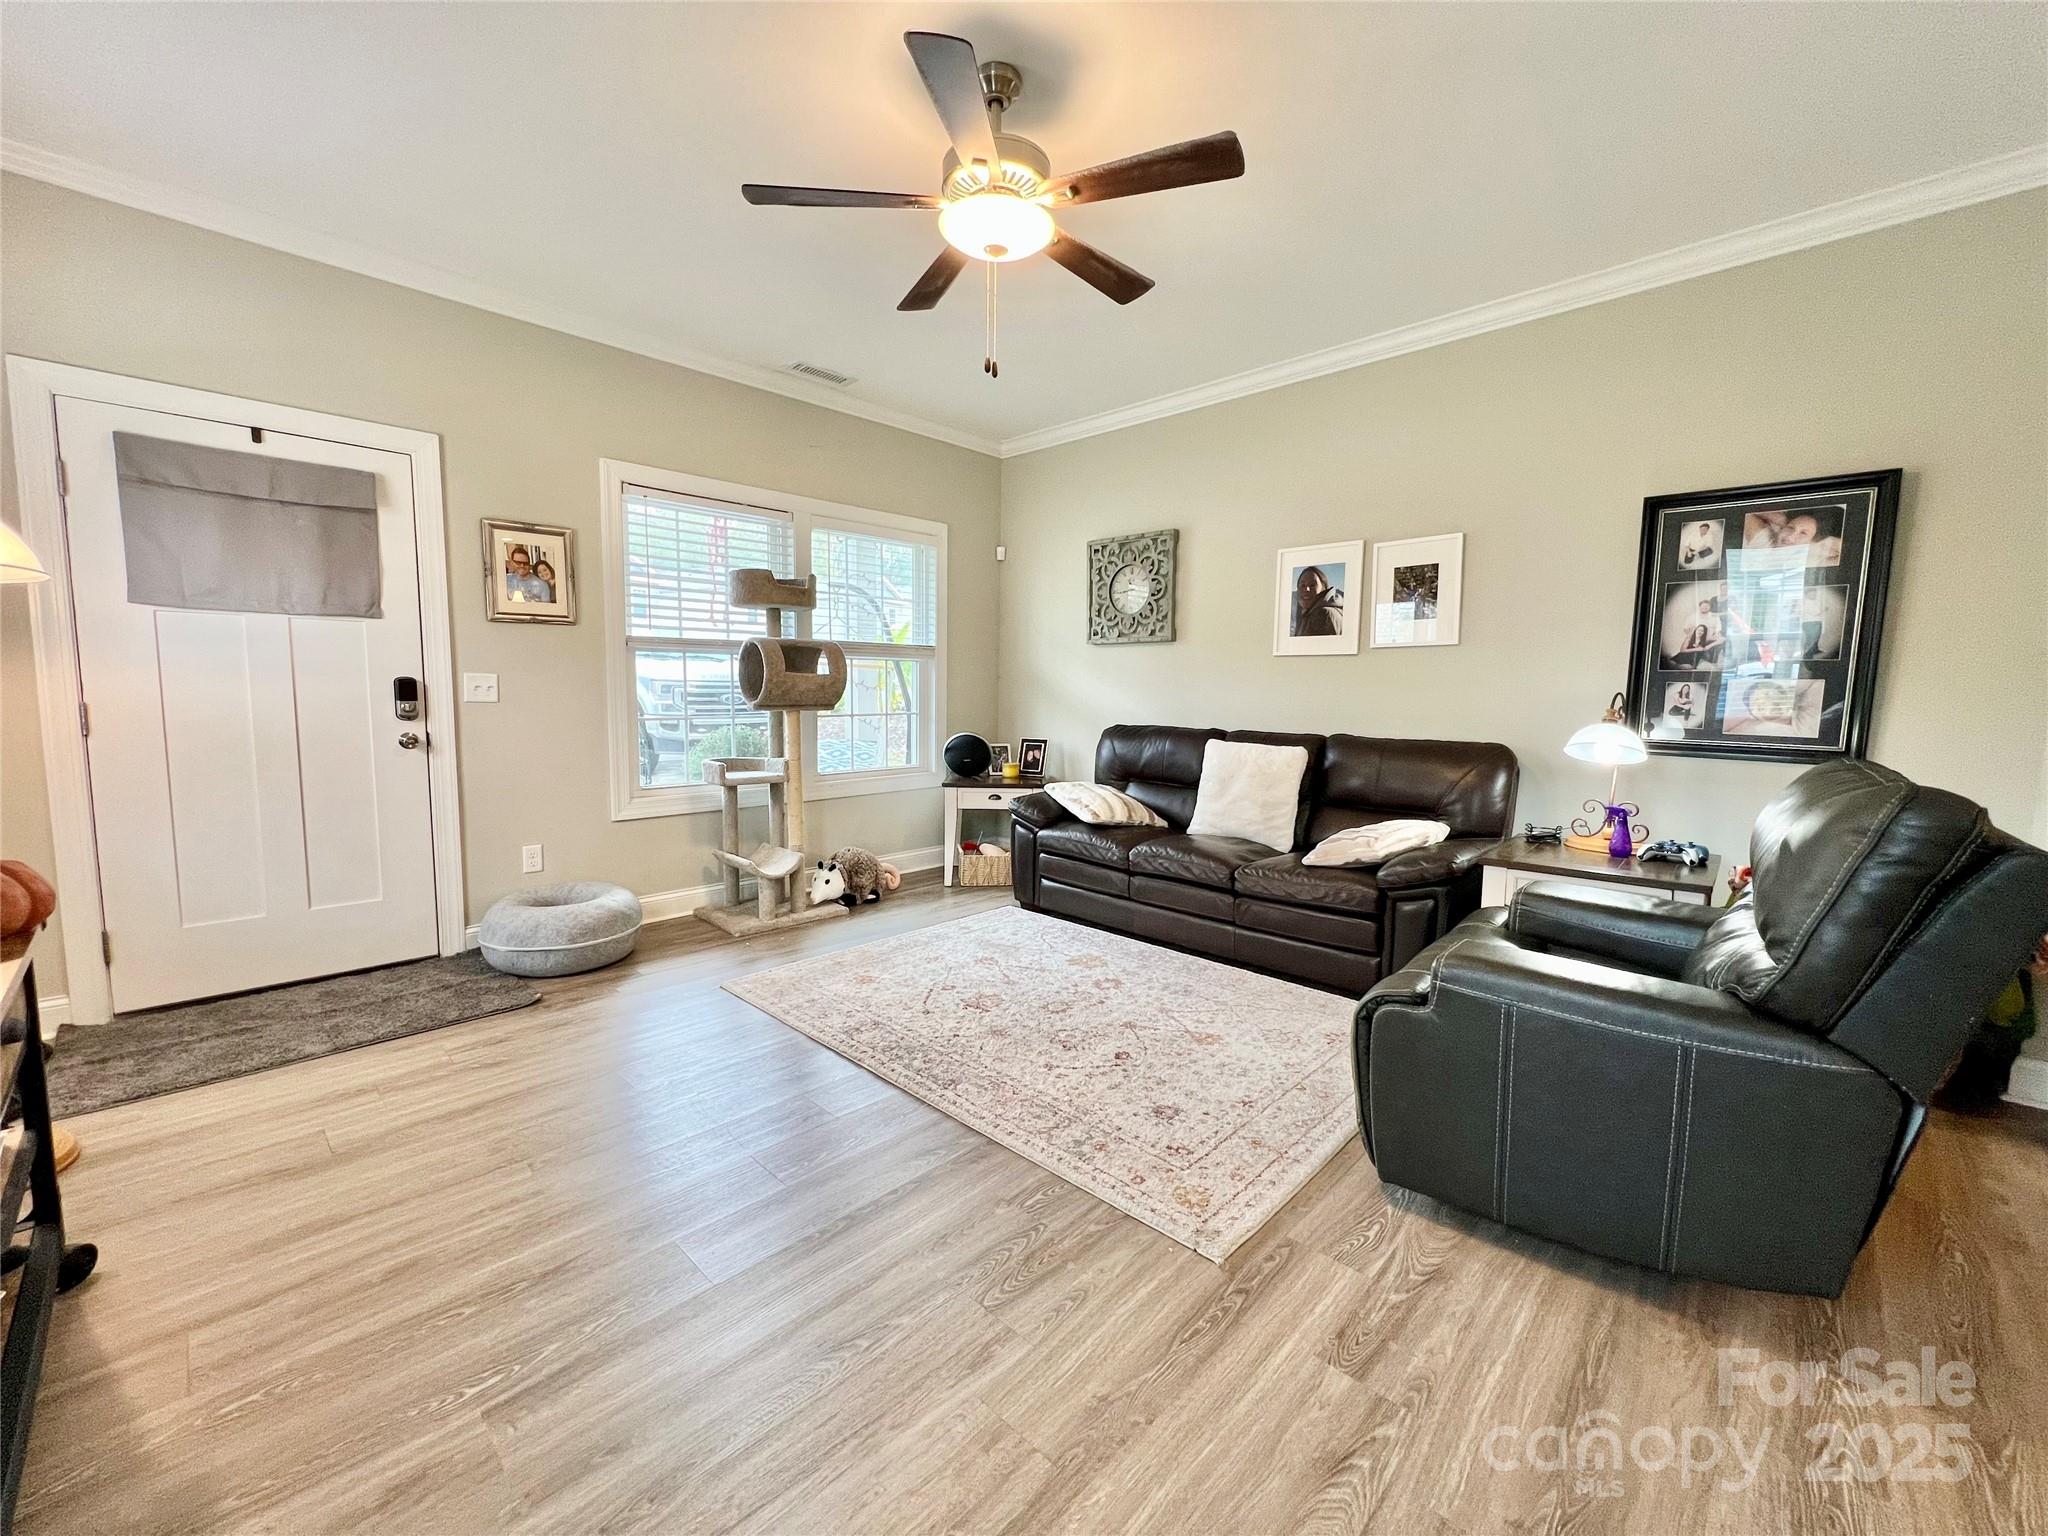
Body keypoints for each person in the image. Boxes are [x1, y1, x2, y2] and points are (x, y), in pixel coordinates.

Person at [1292, 565, 1343, 637]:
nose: (1307, 589)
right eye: (1302, 585)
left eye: (1312, 585)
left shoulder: (1322, 614)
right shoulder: (1311, 611)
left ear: (1324, 588)